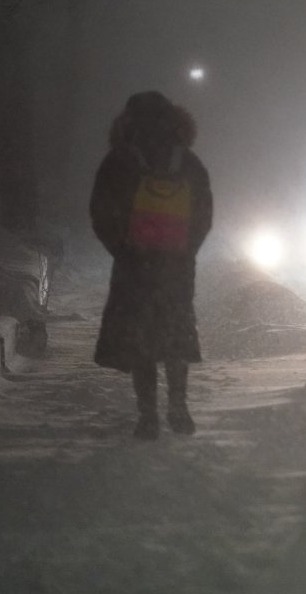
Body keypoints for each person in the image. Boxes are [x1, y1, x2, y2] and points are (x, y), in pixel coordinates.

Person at [90, 91, 213, 439]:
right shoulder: (187, 161)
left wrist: (122, 249)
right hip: (175, 265)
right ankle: (179, 405)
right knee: (175, 334)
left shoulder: (119, 160)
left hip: (135, 265)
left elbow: (100, 212)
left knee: (141, 338)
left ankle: (148, 416)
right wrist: (187, 249)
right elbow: (204, 213)